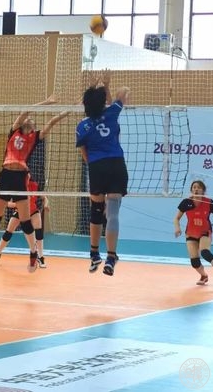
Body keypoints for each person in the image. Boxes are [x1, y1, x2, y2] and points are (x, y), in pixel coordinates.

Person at [0, 94, 69, 273]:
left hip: (20, 177)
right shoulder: (14, 131)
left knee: (26, 221)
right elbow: (26, 111)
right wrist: (47, 102)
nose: (28, 119)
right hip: (5, 174)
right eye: (27, 119)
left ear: (34, 127)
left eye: (31, 121)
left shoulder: (35, 138)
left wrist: (70, 110)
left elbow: (52, 122)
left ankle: (33, 253)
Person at [75, 70, 130, 276]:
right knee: (113, 213)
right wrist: (106, 85)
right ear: (103, 103)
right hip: (116, 165)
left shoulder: (82, 126)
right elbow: (124, 91)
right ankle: (111, 258)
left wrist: (92, 88)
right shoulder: (112, 112)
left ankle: (94, 254)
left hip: (97, 167)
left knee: (96, 211)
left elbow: (84, 153)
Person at [174, 180, 213, 286]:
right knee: (194, 262)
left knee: (205, 253)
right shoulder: (186, 202)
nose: (196, 189)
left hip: (205, 232)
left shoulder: (209, 202)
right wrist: (177, 228)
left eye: (198, 187)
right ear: (191, 190)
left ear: (203, 190)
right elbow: (176, 218)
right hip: (191, 233)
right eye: (194, 187)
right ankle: (204, 275)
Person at [0, 174, 50, 268]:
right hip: (20, 211)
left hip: (33, 211)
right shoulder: (17, 187)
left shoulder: (34, 185)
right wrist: (17, 205)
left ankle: (41, 257)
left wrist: (46, 205)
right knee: (8, 232)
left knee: (39, 233)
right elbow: (8, 203)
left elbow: (44, 197)